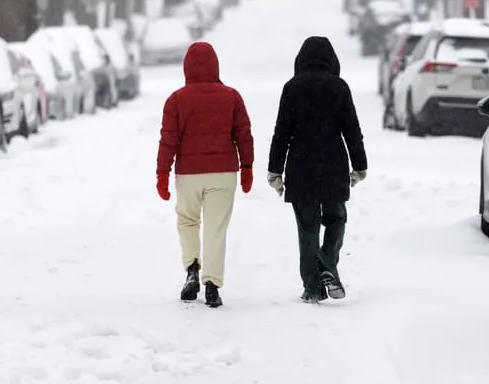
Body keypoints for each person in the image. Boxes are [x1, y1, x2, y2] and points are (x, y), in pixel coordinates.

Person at [266, 36, 367, 303]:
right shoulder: (339, 87)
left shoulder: (291, 88)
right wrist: (360, 165)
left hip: (300, 167)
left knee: (308, 228)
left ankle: (312, 287)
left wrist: (275, 170)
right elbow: (352, 130)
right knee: (336, 219)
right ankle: (327, 261)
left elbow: (282, 133)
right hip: (333, 164)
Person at [156, 41, 254, 308]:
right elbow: (243, 135)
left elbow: (168, 140)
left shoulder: (176, 100)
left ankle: (192, 268)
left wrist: (162, 174)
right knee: (216, 228)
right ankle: (212, 284)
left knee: (188, 220)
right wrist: (247, 167)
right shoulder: (231, 97)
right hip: (223, 173)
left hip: (189, 174)